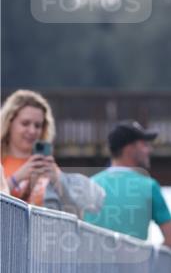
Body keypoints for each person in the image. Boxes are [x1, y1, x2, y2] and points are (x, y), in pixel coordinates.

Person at [1, 89, 105, 217]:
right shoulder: (2, 163)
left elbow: (79, 214)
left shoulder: (48, 166)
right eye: (25, 123)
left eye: (38, 125)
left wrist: (58, 180)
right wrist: (16, 178)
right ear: (9, 123)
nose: (32, 130)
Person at [84, 120, 171, 249]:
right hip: (133, 267)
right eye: (144, 145)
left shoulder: (89, 185)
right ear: (129, 149)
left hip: (93, 268)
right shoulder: (149, 186)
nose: (149, 150)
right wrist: (147, 258)